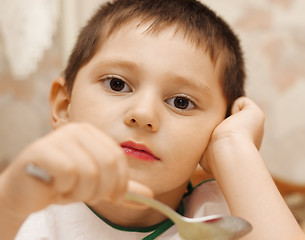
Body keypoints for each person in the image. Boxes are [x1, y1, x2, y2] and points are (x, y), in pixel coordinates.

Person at [0, 0, 304, 239]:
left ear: (214, 130)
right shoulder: (24, 211)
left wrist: (232, 146)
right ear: (65, 106)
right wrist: (10, 202)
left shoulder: (220, 219)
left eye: (181, 102)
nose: (143, 115)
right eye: (117, 84)